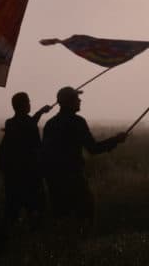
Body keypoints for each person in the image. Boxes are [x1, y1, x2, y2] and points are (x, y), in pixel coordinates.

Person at [41, 87, 126, 226]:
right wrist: (116, 140)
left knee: (60, 218)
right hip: (73, 177)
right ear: (69, 102)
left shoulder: (50, 124)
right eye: (76, 98)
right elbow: (93, 148)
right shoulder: (77, 122)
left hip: (54, 179)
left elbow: (44, 153)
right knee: (85, 215)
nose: (80, 100)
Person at [0, 92, 52, 240]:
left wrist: (40, 112)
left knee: (11, 213)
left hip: (13, 178)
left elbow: (27, 123)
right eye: (28, 102)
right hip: (30, 177)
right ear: (22, 105)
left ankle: (3, 243)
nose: (29, 104)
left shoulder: (11, 123)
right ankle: (35, 243)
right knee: (37, 212)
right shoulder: (28, 125)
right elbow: (35, 143)